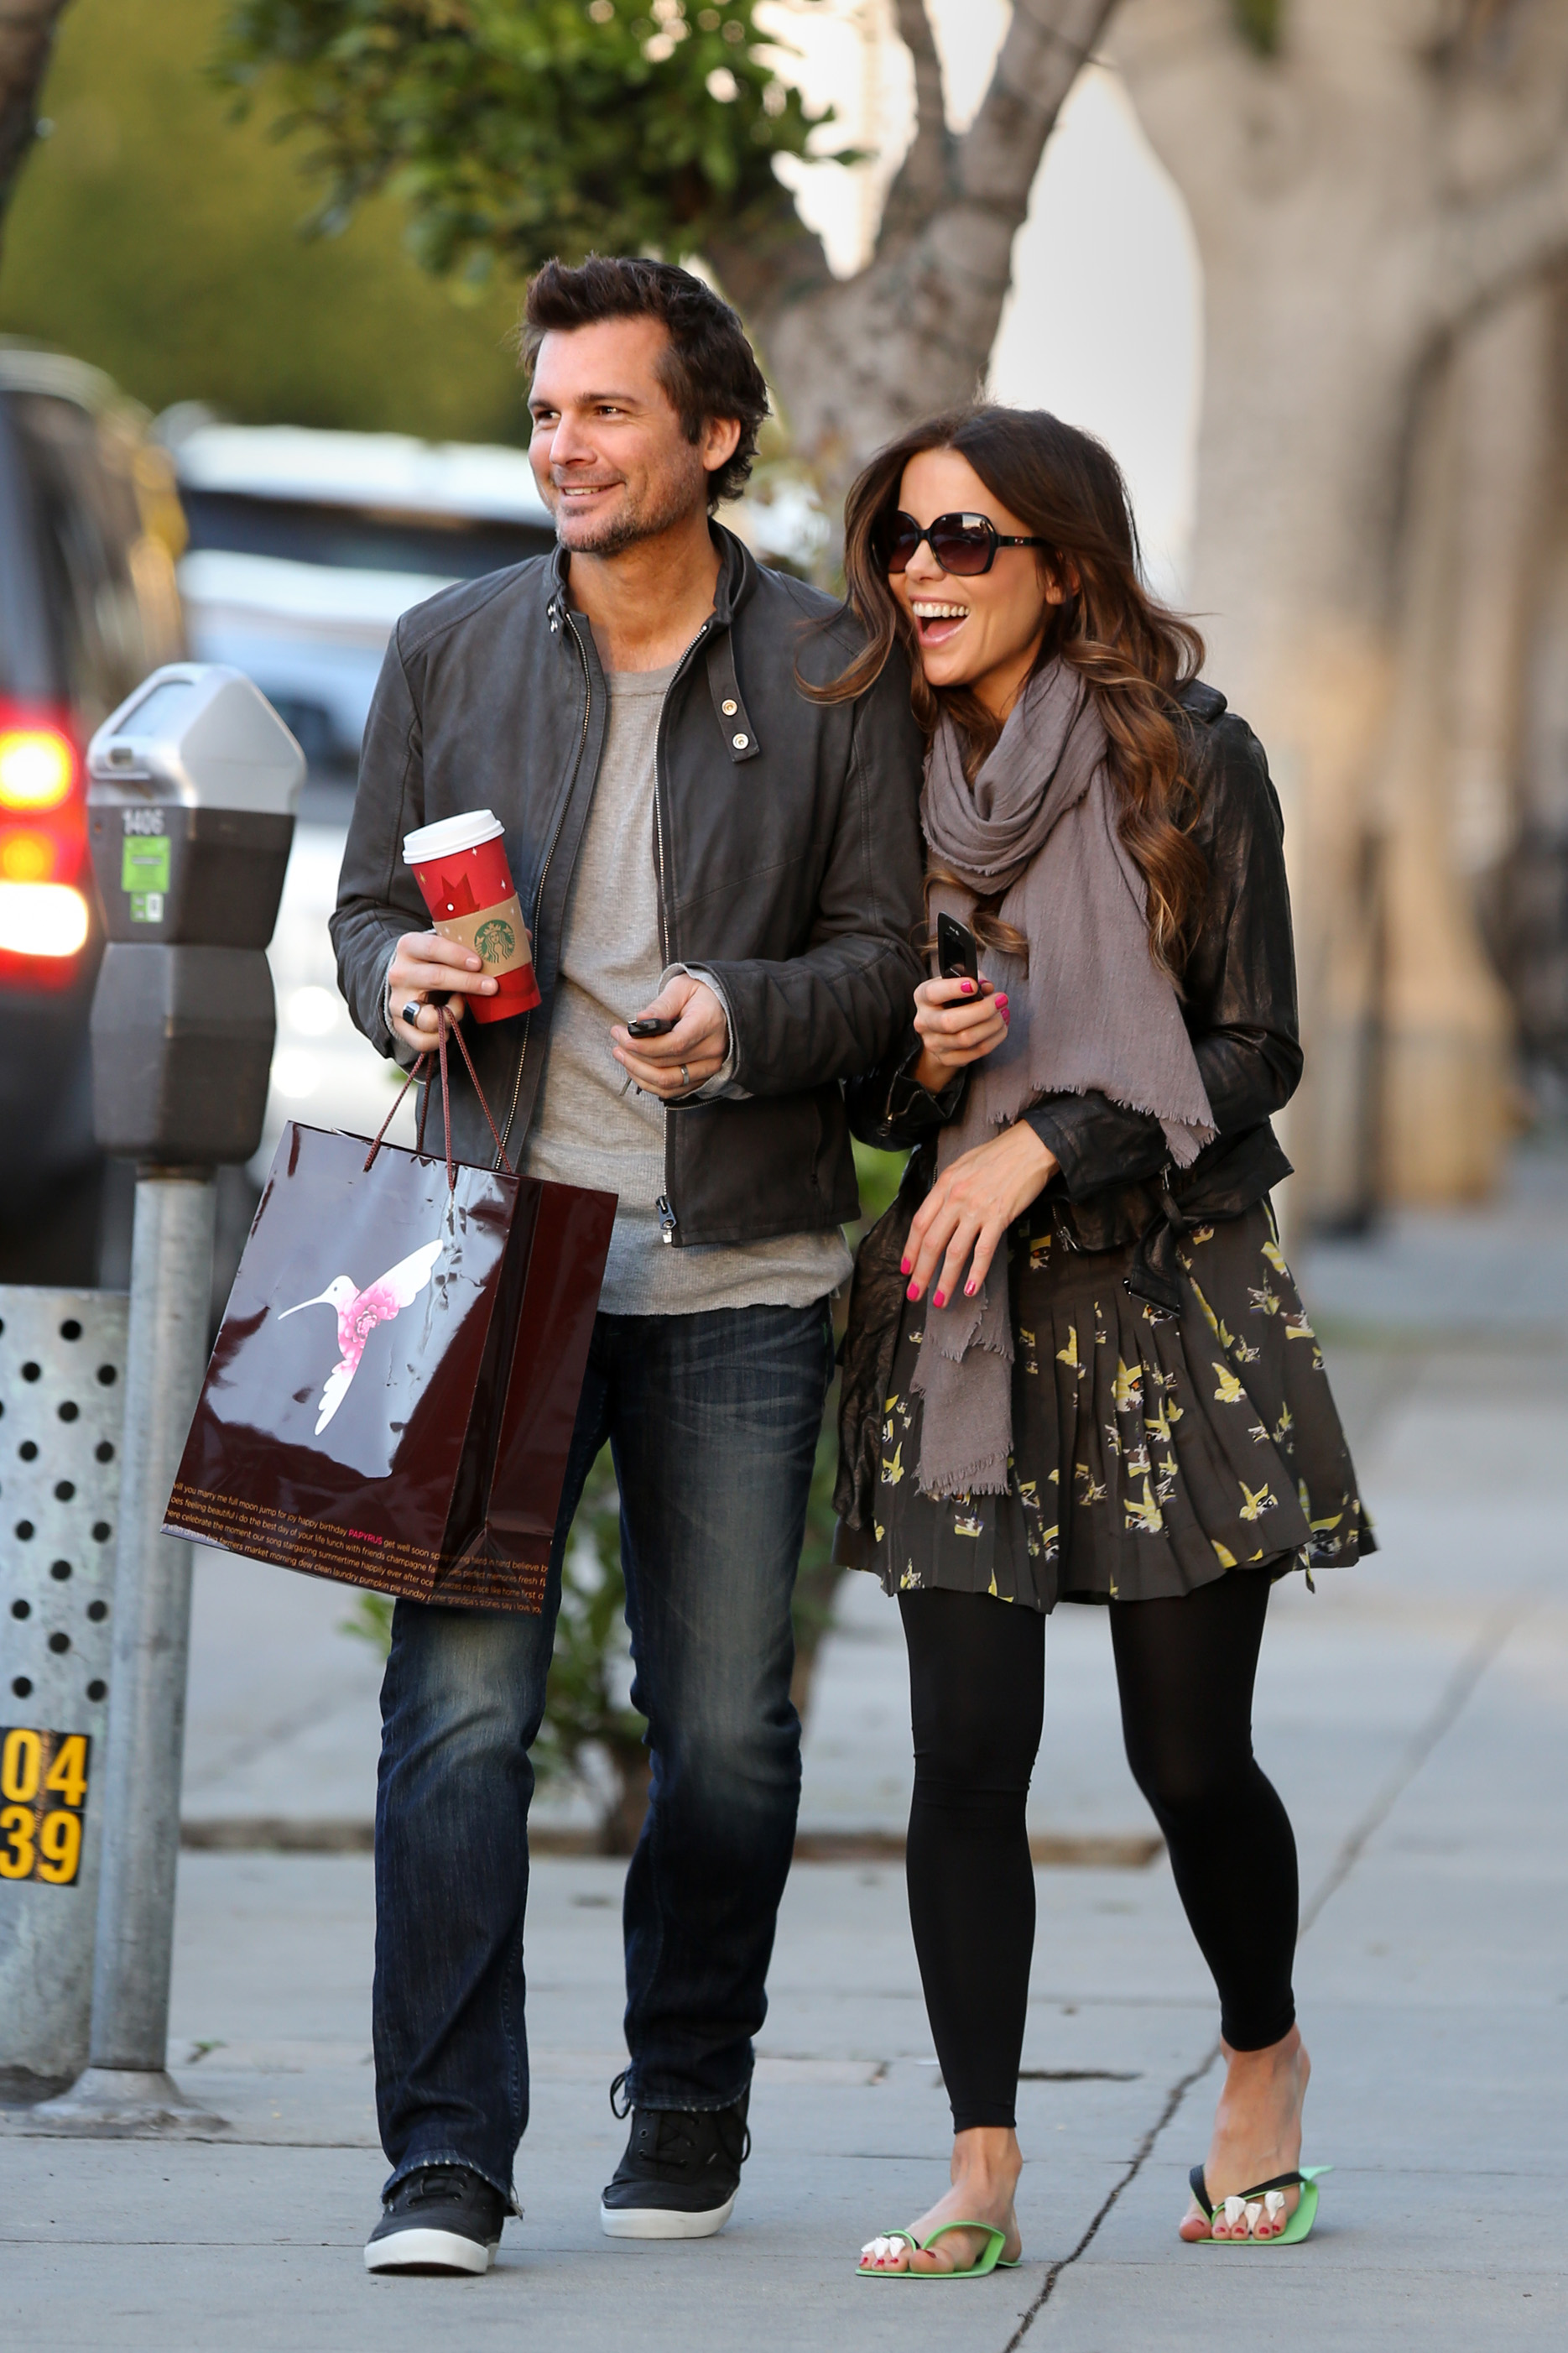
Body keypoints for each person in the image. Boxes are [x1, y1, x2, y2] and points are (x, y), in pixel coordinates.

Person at [331, 256, 926, 2274]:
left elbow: (881, 962)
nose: (562, 445)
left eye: (603, 410)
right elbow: (360, 910)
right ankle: (444, 2157)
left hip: (743, 1264)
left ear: (711, 435)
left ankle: (685, 2087)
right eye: (547, 409)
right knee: (457, 1723)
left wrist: (742, 1018)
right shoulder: (449, 649)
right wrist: (395, 979)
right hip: (499, 1258)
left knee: (730, 1736)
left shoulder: (838, 677)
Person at [827, 405, 1373, 2277]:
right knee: (963, 1754)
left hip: (1163, 1302)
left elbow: (1256, 1046)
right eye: (902, 539)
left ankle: (1260, 2054)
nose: (921, 572)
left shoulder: (1181, 759)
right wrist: (930, 1063)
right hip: (965, 1316)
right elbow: (882, 1083)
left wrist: (1055, 1138)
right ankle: (978, 2162)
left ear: (1062, 563)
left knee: (1183, 1759)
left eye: (965, 540)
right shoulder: (880, 768)